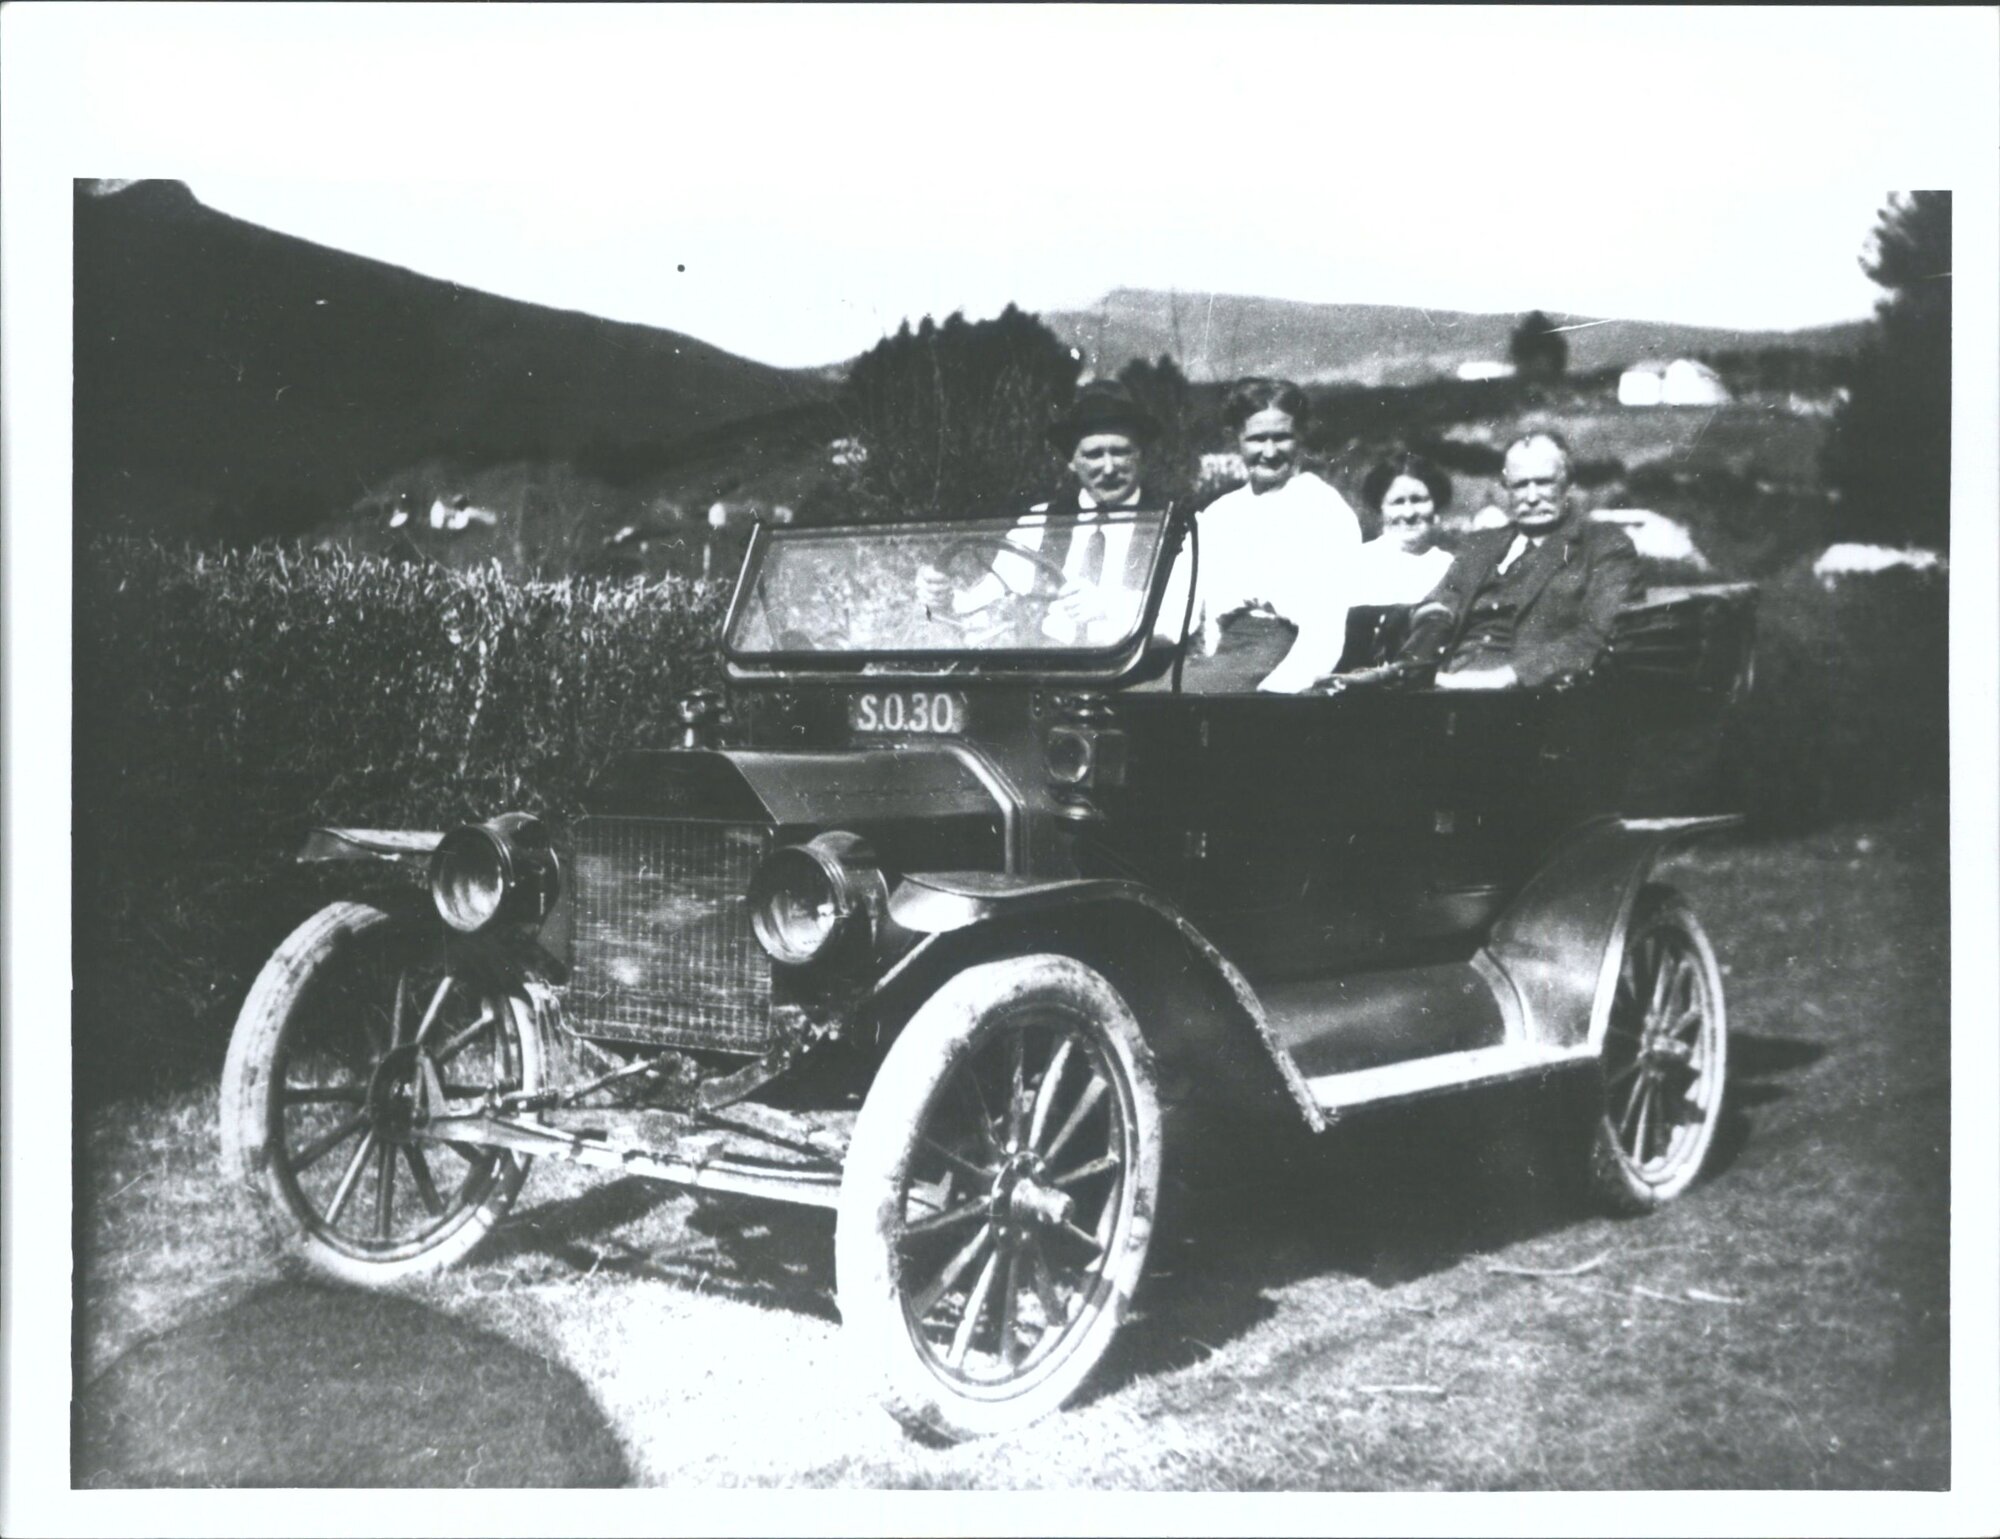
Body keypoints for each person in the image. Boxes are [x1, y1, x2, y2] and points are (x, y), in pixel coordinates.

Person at [915, 379, 1162, 645]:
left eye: (1121, 452)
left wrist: (1107, 606)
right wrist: (941, 596)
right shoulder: (1041, 521)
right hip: (1048, 674)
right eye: (1094, 454)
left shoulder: (1168, 523)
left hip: (1136, 676)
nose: (1109, 467)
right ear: (1072, 461)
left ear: (1141, 455)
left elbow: (1184, 616)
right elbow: (985, 604)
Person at [1396, 430, 1638, 689]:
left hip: (1531, 696)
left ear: (1568, 484)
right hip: (1446, 684)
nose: (1532, 497)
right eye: (1520, 485)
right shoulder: (1481, 545)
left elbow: (1597, 635)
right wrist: (1413, 663)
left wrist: (1503, 678)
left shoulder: (1604, 545)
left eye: (1544, 482)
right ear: (1506, 488)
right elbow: (1438, 606)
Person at [1171, 377, 1364, 693]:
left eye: (1282, 438)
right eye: (1257, 439)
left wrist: (1278, 694)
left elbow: (1327, 628)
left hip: (1280, 657)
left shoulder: (1323, 508)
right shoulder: (1221, 513)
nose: (1270, 452)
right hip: (1219, 658)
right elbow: (1197, 613)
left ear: (1299, 437)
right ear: (1236, 440)